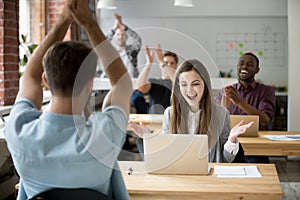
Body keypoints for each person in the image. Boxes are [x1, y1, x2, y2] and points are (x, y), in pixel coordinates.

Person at [4, 0, 132, 199]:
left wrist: (63, 20)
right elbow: (122, 83)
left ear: (46, 80)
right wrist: (89, 23)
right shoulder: (105, 134)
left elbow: (30, 75)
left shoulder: (19, 130)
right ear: (90, 83)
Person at [130, 59, 253, 163]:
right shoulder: (170, 113)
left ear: (204, 85)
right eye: (184, 84)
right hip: (181, 178)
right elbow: (167, 155)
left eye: (195, 84)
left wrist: (232, 139)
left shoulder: (221, 114)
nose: (190, 91)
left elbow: (226, 159)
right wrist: (150, 138)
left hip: (210, 181)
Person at [216, 52, 276, 163]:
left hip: (256, 147)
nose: (244, 66)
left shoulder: (266, 91)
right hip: (231, 144)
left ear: (257, 70)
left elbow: (265, 120)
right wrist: (224, 105)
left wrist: (239, 101)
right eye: (241, 63)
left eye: (249, 64)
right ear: (237, 67)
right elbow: (217, 121)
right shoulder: (226, 90)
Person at [135, 43, 178, 114]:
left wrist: (162, 62)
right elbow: (140, 87)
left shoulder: (180, 82)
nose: (169, 65)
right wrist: (148, 64)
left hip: (173, 121)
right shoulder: (154, 81)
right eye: (166, 63)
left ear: (176, 66)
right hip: (155, 121)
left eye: (172, 63)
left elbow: (178, 81)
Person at [106, 13, 142, 78]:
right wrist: (114, 28)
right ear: (114, 37)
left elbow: (137, 40)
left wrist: (125, 28)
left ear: (126, 36)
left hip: (132, 82)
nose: (120, 37)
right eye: (118, 34)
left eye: (123, 34)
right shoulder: (111, 52)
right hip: (116, 83)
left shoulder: (132, 50)